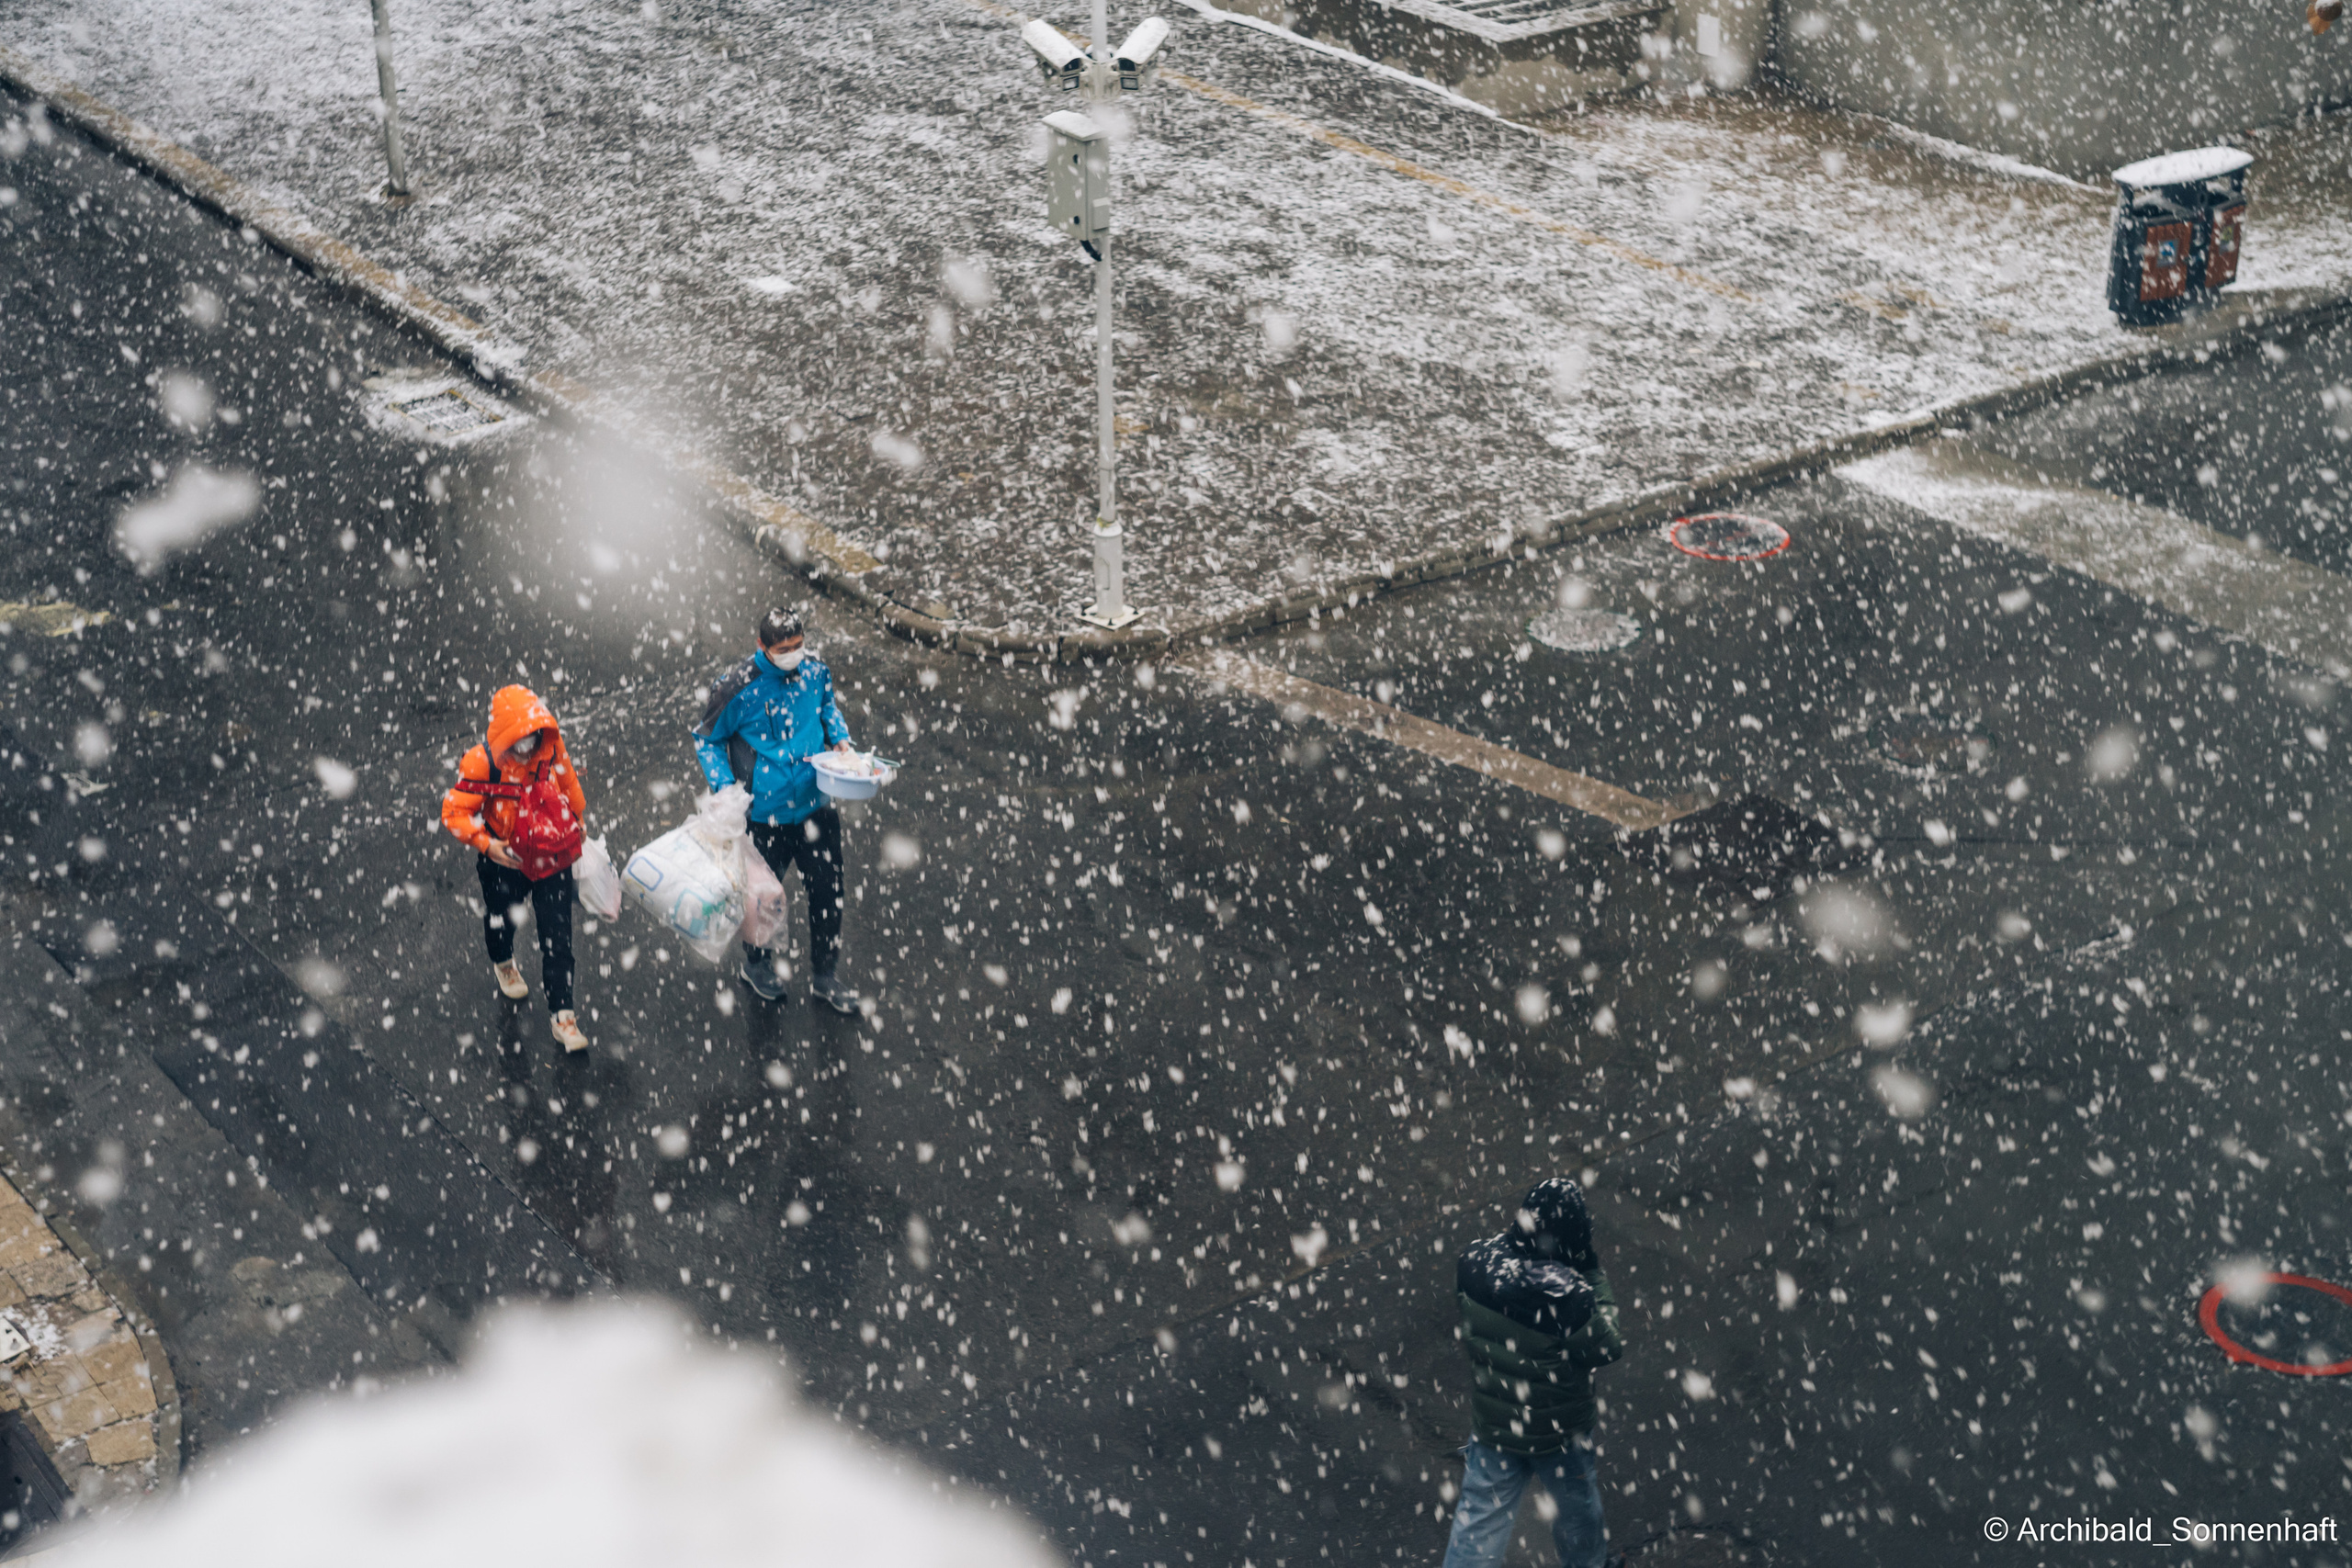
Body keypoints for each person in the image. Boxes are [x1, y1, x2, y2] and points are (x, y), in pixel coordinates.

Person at [1441, 1176, 1624, 1568]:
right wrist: (1592, 1275)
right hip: (1559, 1433)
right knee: (1577, 1515)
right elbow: (1607, 1346)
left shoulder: (1473, 1263)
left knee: (1478, 1523)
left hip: (1494, 1426)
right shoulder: (1569, 1297)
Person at [691, 608, 860, 1014]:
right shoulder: (736, 687)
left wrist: (840, 739)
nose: (793, 655)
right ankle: (756, 966)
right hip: (763, 816)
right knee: (760, 899)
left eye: (798, 646)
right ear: (761, 646)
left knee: (828, 894)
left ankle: (825, 976)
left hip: (816, 807)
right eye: (784, 649)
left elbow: (826, 707)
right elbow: (707, 740)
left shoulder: (815, 671)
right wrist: (725, 789)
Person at [440, 684, 591, 1054]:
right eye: (518, 738)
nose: (527, 746)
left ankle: (563, 1014)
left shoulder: (550, 746)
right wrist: (486, 844)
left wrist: (577, 818)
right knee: (502, 918)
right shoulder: (482, 763)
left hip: (551, 855)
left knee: (558, 936)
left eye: (532, 736)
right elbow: (454, 812)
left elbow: (567, 779)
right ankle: (503, 960)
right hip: (506, 860)